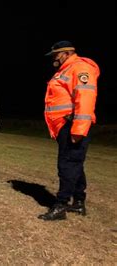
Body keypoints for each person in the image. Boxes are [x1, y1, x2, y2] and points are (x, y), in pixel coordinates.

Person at [38, 41, 99, 221]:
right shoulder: (65, 70)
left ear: (66, 53)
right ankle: (79, 202)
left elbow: (85, 97)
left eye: (56, 55)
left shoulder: (79, 68)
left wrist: (78, 129)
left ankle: (61, 205)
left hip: (72, 126)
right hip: (65, 126)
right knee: (74, 164)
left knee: (67, 165)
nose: (54, 59)